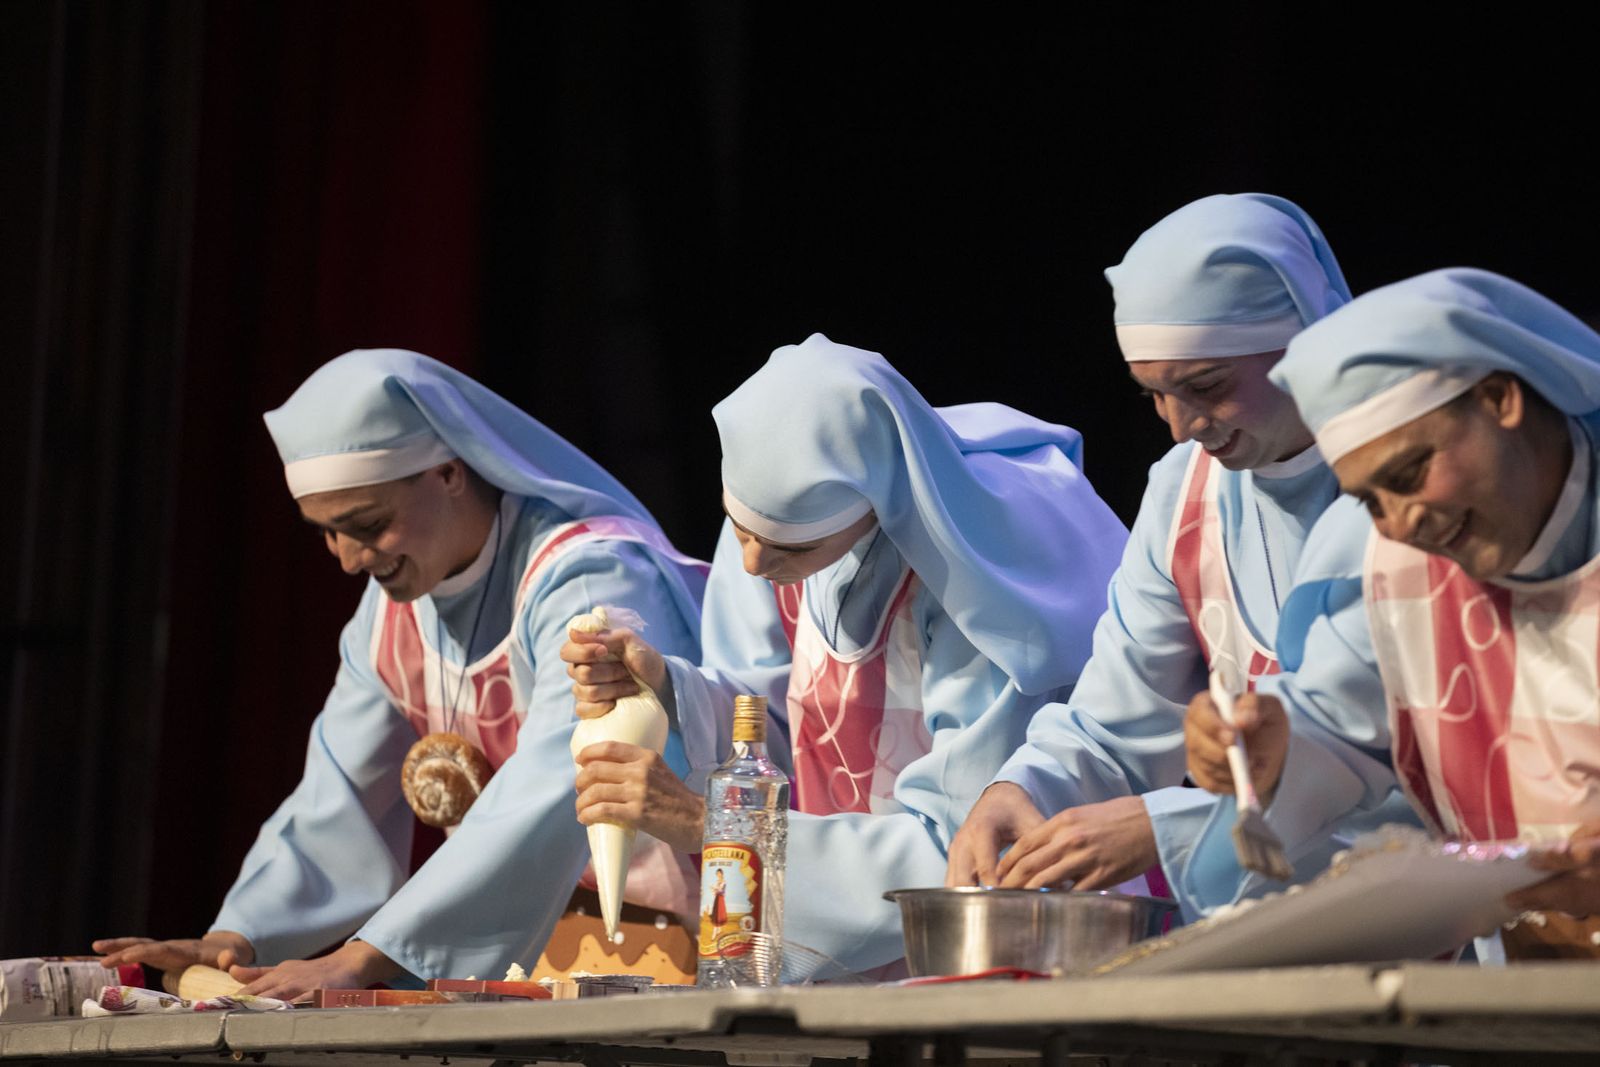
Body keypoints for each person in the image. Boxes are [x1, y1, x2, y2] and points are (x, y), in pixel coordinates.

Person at [96, 349, 707, 996]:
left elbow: (561, 777)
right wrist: (238, 936)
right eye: (326, 533)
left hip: (687, 931)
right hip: (547, 951)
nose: (349, 560)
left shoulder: (592, 576)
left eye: (368, 525)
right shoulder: (392, 614)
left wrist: (366, 955)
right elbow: (340, 791)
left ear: (448, 470)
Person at [562, 334, 1126, 972]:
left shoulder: (982, 598)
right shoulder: (795, 542)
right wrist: (667, 690)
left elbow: (959, 850)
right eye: (739, 530)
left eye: (787, 549)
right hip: (840, 949)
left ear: (875, 503)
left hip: (990, 957)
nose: (752, 564)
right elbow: (801, 728)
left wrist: (715, 828)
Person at [944, 194, 1409, 906]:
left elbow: (1386, 740)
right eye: (1153, 396)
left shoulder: (1418, 475)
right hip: (1275, 919)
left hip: (1444, 904)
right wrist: (1023, 784)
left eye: (1206, 387)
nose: (1181, 426)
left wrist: (1168, 826)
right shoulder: (1187, 493)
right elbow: (1119, 715)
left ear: (1305, 339)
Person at [1183, 268, 1600, 955]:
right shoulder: (1406, 567)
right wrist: (1266, 746)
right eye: (1370, 500)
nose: (1402, 520)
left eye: (1408, 474)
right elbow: (1341, 726)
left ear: (1500, 399)